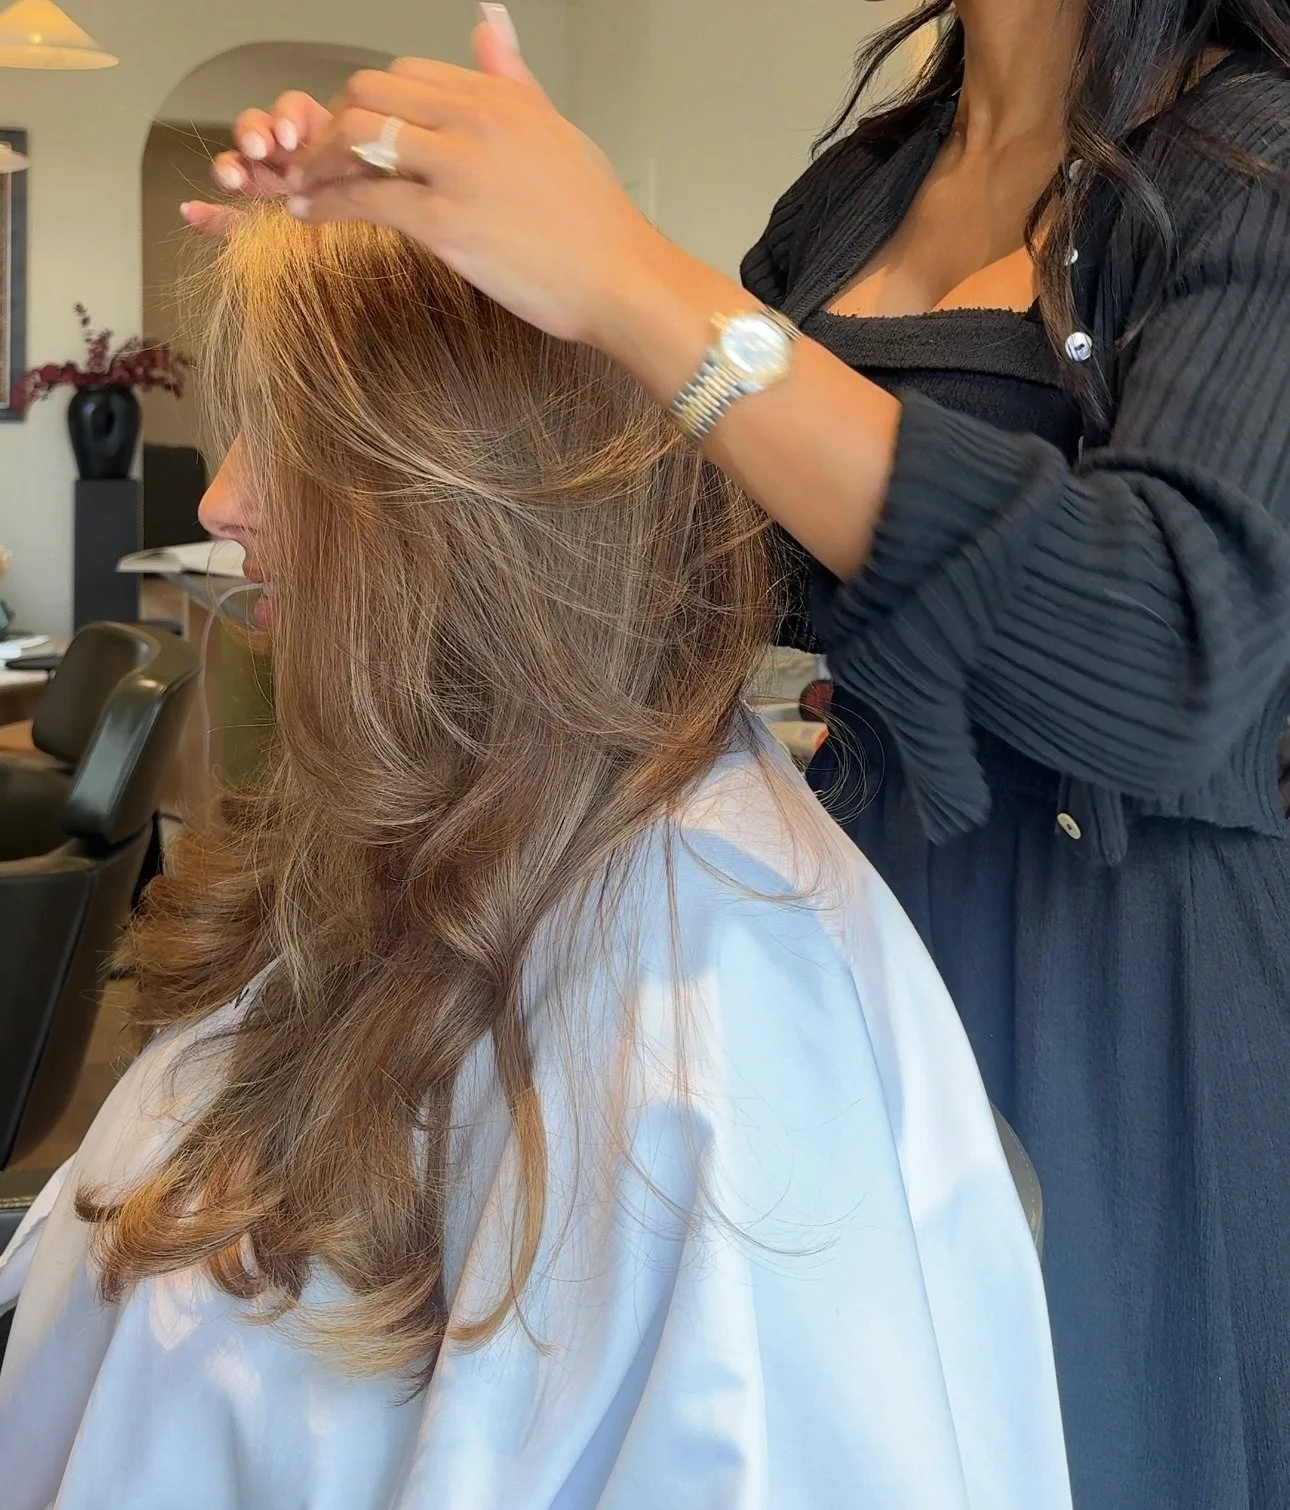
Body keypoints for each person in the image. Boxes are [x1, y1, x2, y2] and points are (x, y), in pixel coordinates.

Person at [178, 2, 1290, 1505]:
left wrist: (628, 274)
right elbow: (670, 555)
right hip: (823, 948)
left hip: (1117, 1015)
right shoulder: (864, 192)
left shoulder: (1252, 161)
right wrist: (406, 286)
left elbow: (1161, 654)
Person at [0, 214, 1070, 1507]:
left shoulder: (705, 1004)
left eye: (295, 433)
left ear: (474, 490)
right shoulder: (444, 813)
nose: (221, 502)